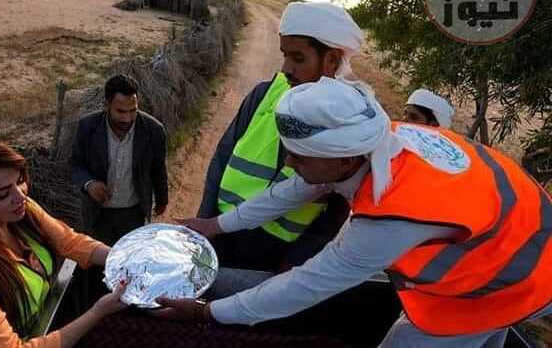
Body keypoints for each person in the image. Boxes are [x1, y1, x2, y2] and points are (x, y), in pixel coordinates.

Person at [159, 78, 552, 347]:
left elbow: (304, 285)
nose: (290, 163)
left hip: (516, 272)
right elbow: (295, 189)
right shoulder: (377, 140)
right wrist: (214, 225)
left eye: (299, 156)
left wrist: (207, 313)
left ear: (344, 161)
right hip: (512, 242)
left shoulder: (388, 218)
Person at [197, 1, 363, 271]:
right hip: (222, 233)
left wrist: (298, 258)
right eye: (285, 55)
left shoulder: (348, 119)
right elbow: (222, 156)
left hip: (278, 250)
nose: (286, 68)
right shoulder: (264, 94)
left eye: (298, 59)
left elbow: (338, 206)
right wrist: (205, 220)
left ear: (332, 59)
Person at [0, 138, 127, 348]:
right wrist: (96, 313)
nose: (20, 196)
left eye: (19, 181)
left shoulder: (18, 211)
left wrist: (128, 261)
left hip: (38, 330)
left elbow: (71, 243)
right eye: (2, 194)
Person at [70, 73, 168, 246]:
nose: (127, 119)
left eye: (133, 111)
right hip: (97, 214)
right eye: (121, 111)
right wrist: (89, 184)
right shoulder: (87, 127)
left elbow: (158, 169)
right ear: (107, 105)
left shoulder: (154, 131)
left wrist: (162, 199)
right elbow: (75, 165)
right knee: (96, 266)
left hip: (134, 214)